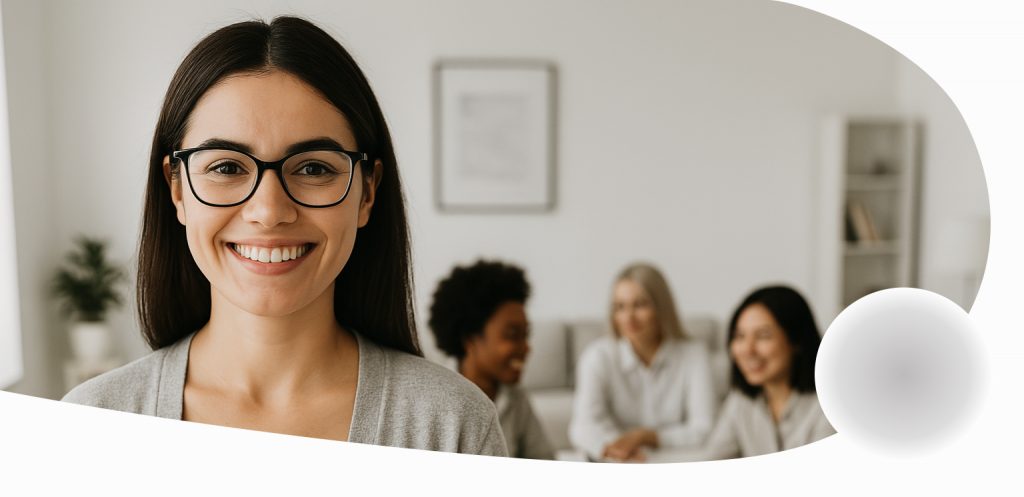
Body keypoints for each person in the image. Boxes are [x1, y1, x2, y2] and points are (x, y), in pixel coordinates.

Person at [61, 16, 507, 457]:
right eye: (227, 167)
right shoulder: (87, 427)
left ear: (367, 192)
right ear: (177, 189)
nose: (269, 212)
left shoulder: (455, 428)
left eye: (314, 168)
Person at [569, 263, 715, 462]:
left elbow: (704, 429)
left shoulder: (694, 355)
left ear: (661, 307)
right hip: (620, 464)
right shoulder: (597, 357)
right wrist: (622, 449)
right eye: (620, 307)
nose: (629, 317)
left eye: (640, 305)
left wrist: (647, 437)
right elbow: (583, 427)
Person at [428, 260, 555, 460]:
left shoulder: (516, 399)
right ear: (470, 338)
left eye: (526, 335)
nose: (526, 348)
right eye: (513, 335)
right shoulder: (434, 400)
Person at [701, 286, 835, 460]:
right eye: (740, 336)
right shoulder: (741, 401)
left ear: (797, 341)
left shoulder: (830, 405)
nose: (748, 350)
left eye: (763, 336)